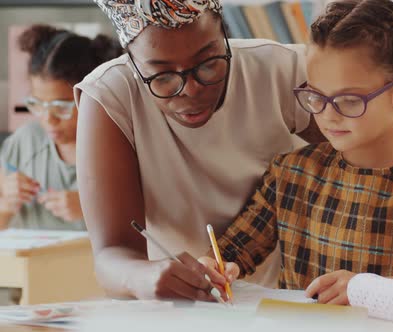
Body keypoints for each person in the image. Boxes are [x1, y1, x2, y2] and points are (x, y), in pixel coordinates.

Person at [200, 0, 393, 311]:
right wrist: (213, 267)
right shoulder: (291, 173)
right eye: (315, 96)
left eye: (349, 100)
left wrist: (370, 291)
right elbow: (230, 254)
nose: (327, 115)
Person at [74, 0, 324, 300]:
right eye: (162, 76)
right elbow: (112, 253)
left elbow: (364, 164)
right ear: (132, 61)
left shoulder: (283, 70)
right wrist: (142, 275)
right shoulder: (110, 97)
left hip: (296, 299)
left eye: (208, 63)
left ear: (225, 34)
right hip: (183, 309)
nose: (190, 90)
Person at [0, 24, 122, 230]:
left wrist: (91, 208)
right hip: (32, 261)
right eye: (37, 104)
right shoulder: (24, 143)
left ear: (91, 96)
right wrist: (6, 205)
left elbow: (151, 227)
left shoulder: (119, 149)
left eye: (60, 107)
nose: (48, 119)